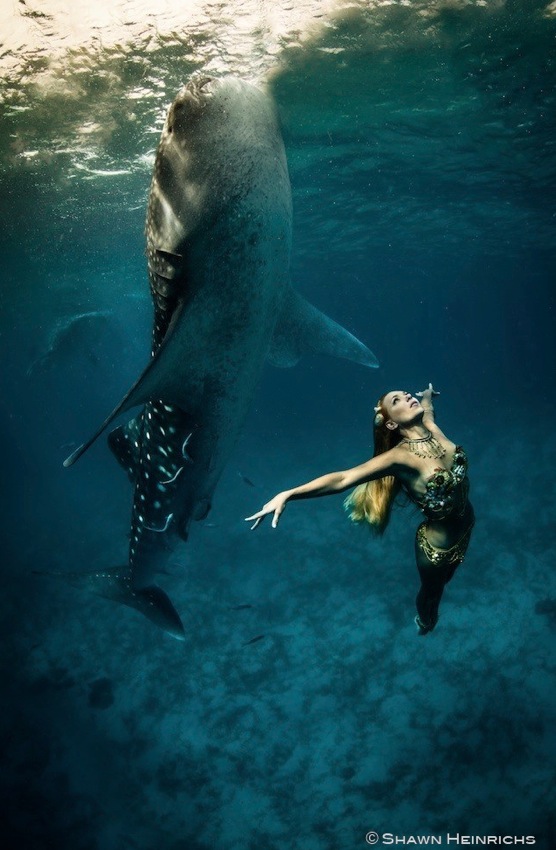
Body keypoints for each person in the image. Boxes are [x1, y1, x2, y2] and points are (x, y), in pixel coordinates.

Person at [245, 384, 474, 635]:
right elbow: (343, 479)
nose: (407, 396)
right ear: (390, 424)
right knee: (433, 594)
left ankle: (433, 605)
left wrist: (428, 396)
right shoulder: (399, 458)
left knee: (447, 578)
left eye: (406, 393)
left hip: (466, 528)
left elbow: (428, 410)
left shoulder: (431, 428)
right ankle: (425, 623)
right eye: (396, 400)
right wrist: (288, 494)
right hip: (437, 549)